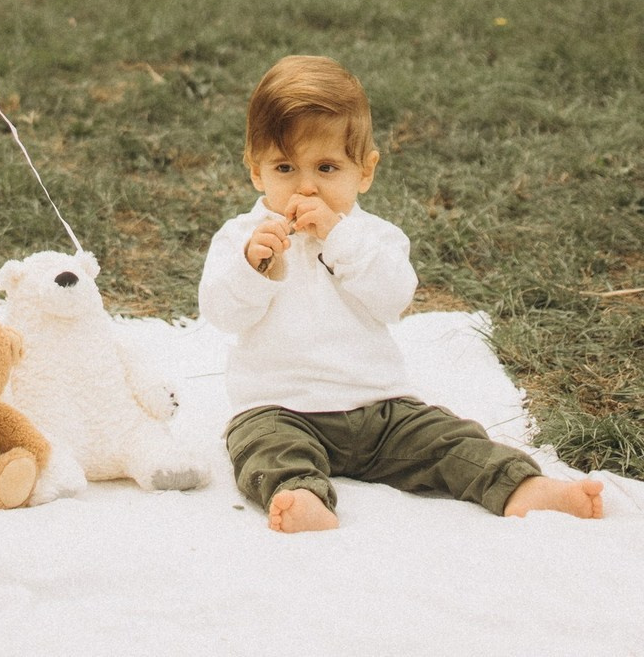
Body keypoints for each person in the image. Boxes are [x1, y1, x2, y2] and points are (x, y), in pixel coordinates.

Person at [198, 54, 604, 533]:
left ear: (364, 171)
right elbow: (221, 314)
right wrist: (254, 269)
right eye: (285, 167)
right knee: (263, 448)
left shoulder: (374, 236)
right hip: (279, 406)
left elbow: (394, 299)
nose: (306, 188)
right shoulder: (242, 238)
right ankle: (301, 494)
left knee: (449, 440)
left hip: (379, 408)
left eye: (327, 168)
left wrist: (338, 237)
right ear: (256, 171)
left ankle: (519, 486)